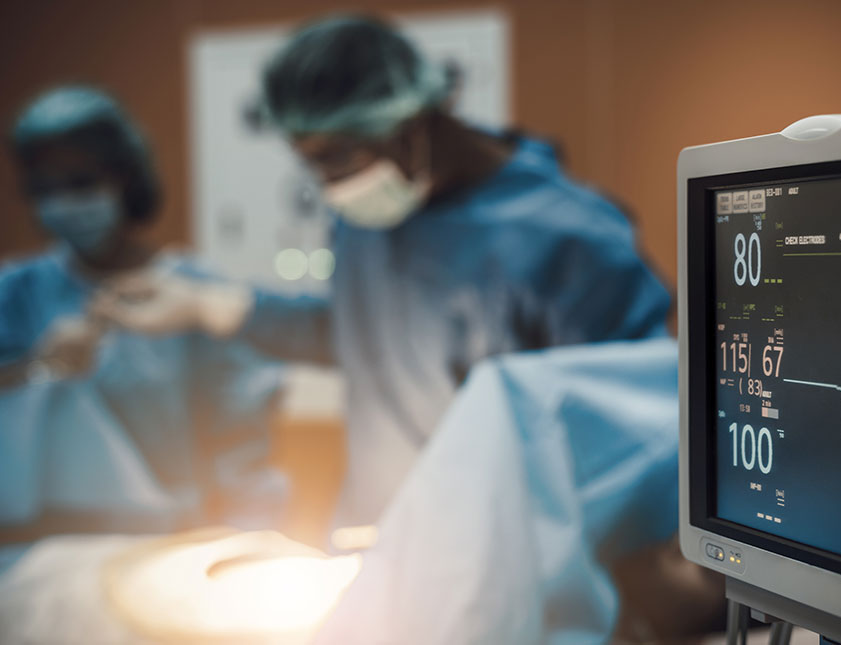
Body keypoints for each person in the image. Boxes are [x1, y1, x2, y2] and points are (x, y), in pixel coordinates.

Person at [97, 15, 673, 527]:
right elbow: (368, 336)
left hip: (508, 552)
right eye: (310, 164)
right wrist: (219, 308)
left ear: (414, 123)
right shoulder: (366, 212)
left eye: (336, 156)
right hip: (378, 532)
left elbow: (633, 427)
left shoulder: (569, 238)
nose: (329, 184)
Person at [0, 86, 286, 536]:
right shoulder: (16, 293)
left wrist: (249, 540)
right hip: (39, 543)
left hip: (169, 540)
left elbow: (243, 449)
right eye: (45, 189)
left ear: (126, 178)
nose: (64, 203)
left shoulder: (195, 295)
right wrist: (37, 367)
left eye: (81, 183)